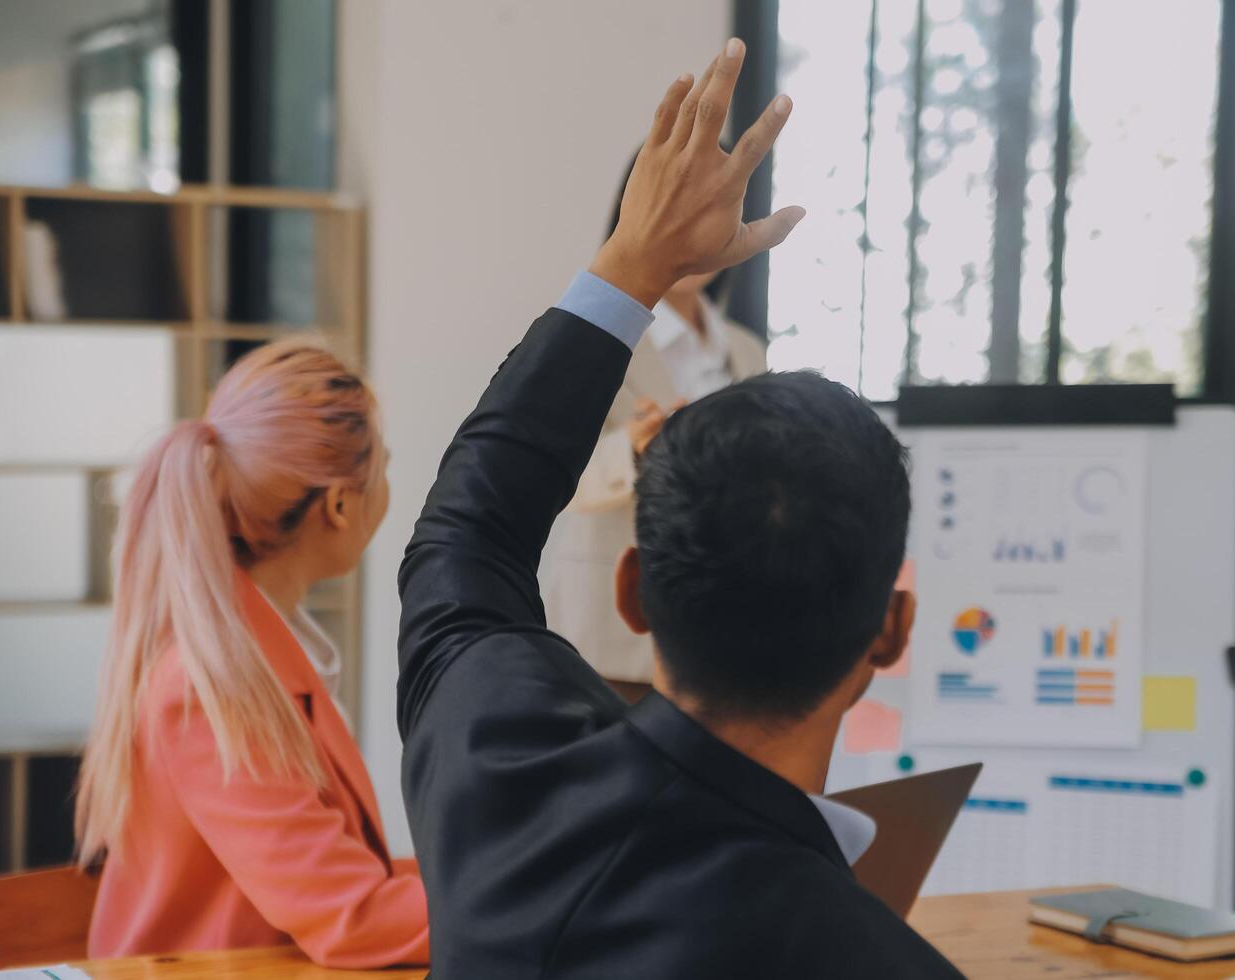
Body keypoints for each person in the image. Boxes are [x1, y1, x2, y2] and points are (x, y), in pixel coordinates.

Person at [398, 40, 964, 978]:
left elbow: (470, 528)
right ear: (890, 628)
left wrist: (625, 269)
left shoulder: (490, 748)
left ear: (637, 590)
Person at [76, 342, 428, 967]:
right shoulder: (206, 688)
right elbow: (353, 917)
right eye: (386, 470)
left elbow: (335, 872)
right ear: (340, 507)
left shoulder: (247, 649)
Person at [542, 152, 767, 687]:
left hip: (726, 632)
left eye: (719, 211)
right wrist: (635, 449)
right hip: (612, 637)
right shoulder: (591, 335)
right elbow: (551, 474)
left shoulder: (748, 351)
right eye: (683, 211)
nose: (701, 232)